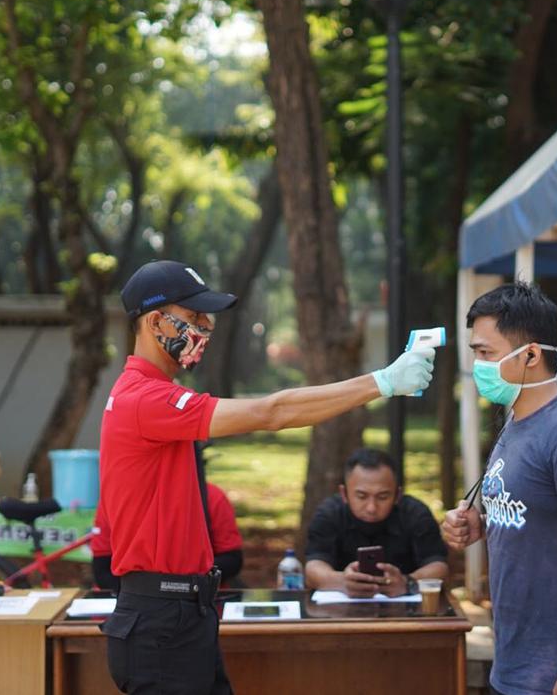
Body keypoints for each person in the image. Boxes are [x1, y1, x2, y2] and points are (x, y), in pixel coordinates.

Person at [99, 260, 436, 695]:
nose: (206, 326)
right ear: (154, 321)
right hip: (162, 618)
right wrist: (382, 382)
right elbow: (272, 412)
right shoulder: (145, 399)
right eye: (194, 316)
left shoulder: (153, 395)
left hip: (181, 611)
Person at [441, 282, 557, 695]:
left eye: (486, 353)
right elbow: (534, 514)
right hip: (516, 654)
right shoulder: (516, 421)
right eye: (475, 352)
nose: (478, 365)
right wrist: (480, 523)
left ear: (529, 355)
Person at [304, 448, 448, 597]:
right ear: (344, 494)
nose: (371, 508)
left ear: (397, 495)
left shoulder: (415, 514)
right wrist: (342, 582)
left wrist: (407, 583)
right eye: (361, 496)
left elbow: (438, 565)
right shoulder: (329, 514)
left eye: (382, 497)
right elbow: (313, 567)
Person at [91, 480, 244, 592]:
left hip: (197, 600)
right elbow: (102, 571)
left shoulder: (211, 496)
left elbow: (232, 560)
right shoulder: (114, 500)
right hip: (128, 604)